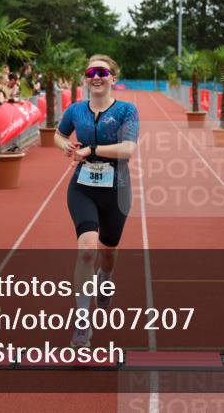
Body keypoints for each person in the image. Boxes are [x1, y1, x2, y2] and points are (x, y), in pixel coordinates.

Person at [54, 54, 139, 348]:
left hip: (118, 189)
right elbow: (58, 134)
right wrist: (66, 144)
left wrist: (90, 150)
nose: (96, 76)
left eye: (103, 71)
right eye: (91, 71)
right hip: (83, 188)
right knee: (87, 248)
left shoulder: (127, 110)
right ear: (85, 78)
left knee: (108, 250)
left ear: (113, 78)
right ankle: (81, 322)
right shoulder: (75, 110)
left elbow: (128, 149)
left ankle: (106, 276)